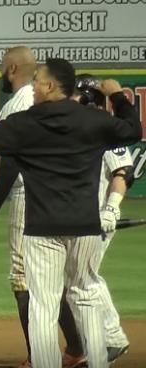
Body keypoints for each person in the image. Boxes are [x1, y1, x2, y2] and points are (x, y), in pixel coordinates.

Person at [0, 58, 142, 368]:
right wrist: (119, 97)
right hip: (85, 225)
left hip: (42, 227)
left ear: (51, 86)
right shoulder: (90, 120)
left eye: (38, 81)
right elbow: (132, 130)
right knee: (84, 296)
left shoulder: (26, 123)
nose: (34, 85)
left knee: (43, 304)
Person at [0, 47, 86, 368]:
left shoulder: (19, 104)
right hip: (58, 192)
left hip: (29, 194)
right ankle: (77, 347)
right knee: (55, 276)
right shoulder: (43, 102)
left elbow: (11, 161)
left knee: (22, 277)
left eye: (1, 68)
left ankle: (39, 355)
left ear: (11, 68)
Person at [74, 74, 133, 365]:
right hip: (80, 219)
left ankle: (111, 338)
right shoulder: (80, 127)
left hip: (99, 218)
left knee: (82, 279)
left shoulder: (105, 129)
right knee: (80, 278)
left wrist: (111, 208)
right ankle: (109, 338)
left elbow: (123, 172)